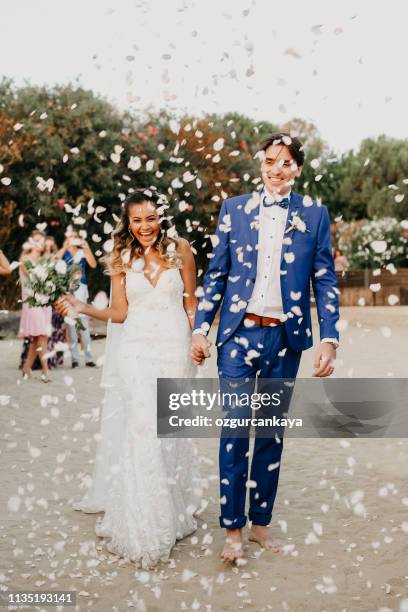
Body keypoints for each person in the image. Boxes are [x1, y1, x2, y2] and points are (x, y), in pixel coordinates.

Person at [191, 133, 340, 562]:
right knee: (235, 431)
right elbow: (216, 274)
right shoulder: (233, 210)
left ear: (298, 168)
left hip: (285, 338)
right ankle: (232, 530)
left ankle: (259, 523)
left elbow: (324, 278)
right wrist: (202, 328)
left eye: (286, 162)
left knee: (271, 434)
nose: (277, 169)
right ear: (260, 163)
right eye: (270, 161)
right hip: (237, 336)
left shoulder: (314, 214)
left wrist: (328, 338)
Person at [56, 189, 201, 567]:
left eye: (150, 218)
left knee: (168, 434)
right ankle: (144, 527)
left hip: (174, 349)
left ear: (162, 217)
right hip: (136, 352)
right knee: (143, 432)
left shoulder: (182, 249)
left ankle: (172, 510)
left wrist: (199, 337)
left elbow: (191, 301)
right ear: (128, 223)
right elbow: (119, 313)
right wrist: (84, 306)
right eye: (136, 220)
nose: (144, 227)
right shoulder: (121, 256)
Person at [58, 228, 97, 368]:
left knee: (84, 325)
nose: (73, 238)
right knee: (71, 326)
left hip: (81, 289)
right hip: (67, 290)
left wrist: (87, 247)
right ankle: (75, 359)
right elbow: (53, 262)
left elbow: (93, 264)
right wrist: (64, 247)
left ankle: (88, 358)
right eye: (70, 236)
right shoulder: (64, 252)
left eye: (75, 236)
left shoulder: (82, 252)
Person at [18, 231, 52, 382]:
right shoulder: (24, 259)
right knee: (42, 334)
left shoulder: (45, 259)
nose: (40, 243)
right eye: (36, 240)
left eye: (41, 241)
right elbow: (34, 278)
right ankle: (46, 371)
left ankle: (26, 367)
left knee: (37, 337)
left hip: (45, 302)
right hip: (32, 301)